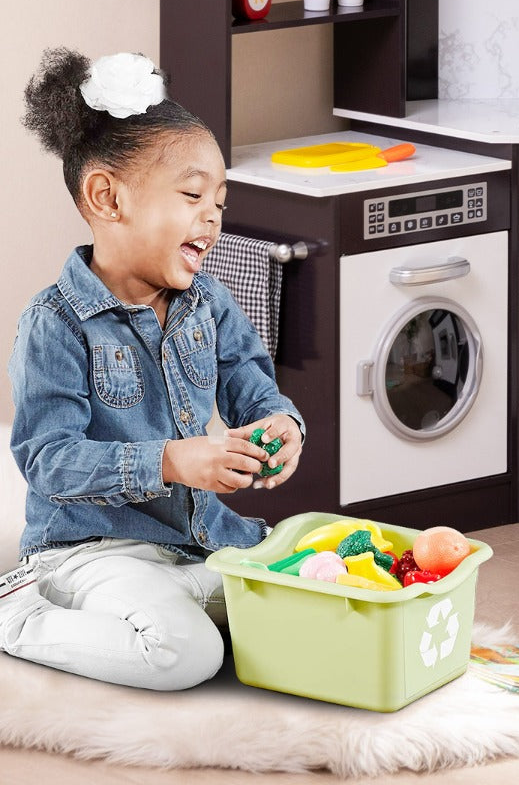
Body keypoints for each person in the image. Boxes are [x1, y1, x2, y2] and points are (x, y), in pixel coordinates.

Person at [0, 48, 305, 688]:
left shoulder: (207, 302)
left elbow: (250, 379)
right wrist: (170, 459)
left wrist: (280, 424)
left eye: (220, 200)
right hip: (96, 551)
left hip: (203, 542)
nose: (213, 218)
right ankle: (18, 618)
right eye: (193, 194)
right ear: (107, 197)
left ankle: (195, 601)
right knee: (184, 655)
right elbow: (47, 458)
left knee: (313, 590)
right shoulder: (54, 322)